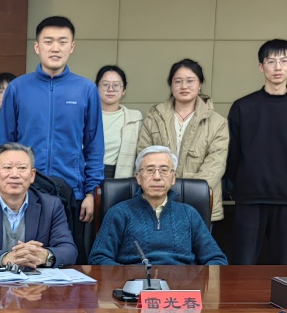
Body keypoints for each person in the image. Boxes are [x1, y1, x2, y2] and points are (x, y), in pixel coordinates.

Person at [0, 16, 103, 223]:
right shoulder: (18, 88)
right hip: (25, 191)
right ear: (37, 47)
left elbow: (94, 146)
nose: (55, 48)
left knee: (68, 244)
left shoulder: (86, 89)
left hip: (72, 191)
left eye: (62, 42)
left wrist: (91, 192)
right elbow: (5, 144)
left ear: (72, 47)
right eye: (48, 41)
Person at [227, 39, 287, 265]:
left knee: (283, 264)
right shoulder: (243, 106)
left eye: (283, 61)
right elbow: (233, 153)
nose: (278, 67)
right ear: (261, 67)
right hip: (250, 197)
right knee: (243, 264)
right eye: (271, 61)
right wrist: (236, 187)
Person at [90, 146, 227, 266]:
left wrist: (194, 280)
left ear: (173, 178)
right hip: (135, 284)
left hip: (181, 285)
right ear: (138, 177)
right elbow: (98, 258)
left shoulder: (189, 214)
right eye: (150, 170)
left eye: (164, 170)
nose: (157, 177)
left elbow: (216, 259)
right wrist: (129, 276)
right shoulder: (119, 213)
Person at [0, 143, 77, 269]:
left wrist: (46, 255)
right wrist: (4, 258)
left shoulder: (52, 206)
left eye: (22, 168)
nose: (14, 174)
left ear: (32, 175)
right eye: (7, 167)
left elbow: (69, 249)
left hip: (35, 280)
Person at [136, 59, 229, 221]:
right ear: (171, 85)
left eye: (190, 81)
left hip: (198, 203)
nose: (184, 86)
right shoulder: (154, 117)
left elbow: (215, 164)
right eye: (178, 81)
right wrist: (162, 190)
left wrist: (186, 193)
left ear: (200, 84)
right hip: (157, 200)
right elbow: (143, 155)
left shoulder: (217, 122)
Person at [96, 65, 143, 180]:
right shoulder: (84, 116)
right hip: (85, 175)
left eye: (116, 85)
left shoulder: (134, 119)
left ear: (124, 90)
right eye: (105, 84)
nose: (110, 89)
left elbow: (141, 155)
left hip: (120, 177)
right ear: (96, 88)